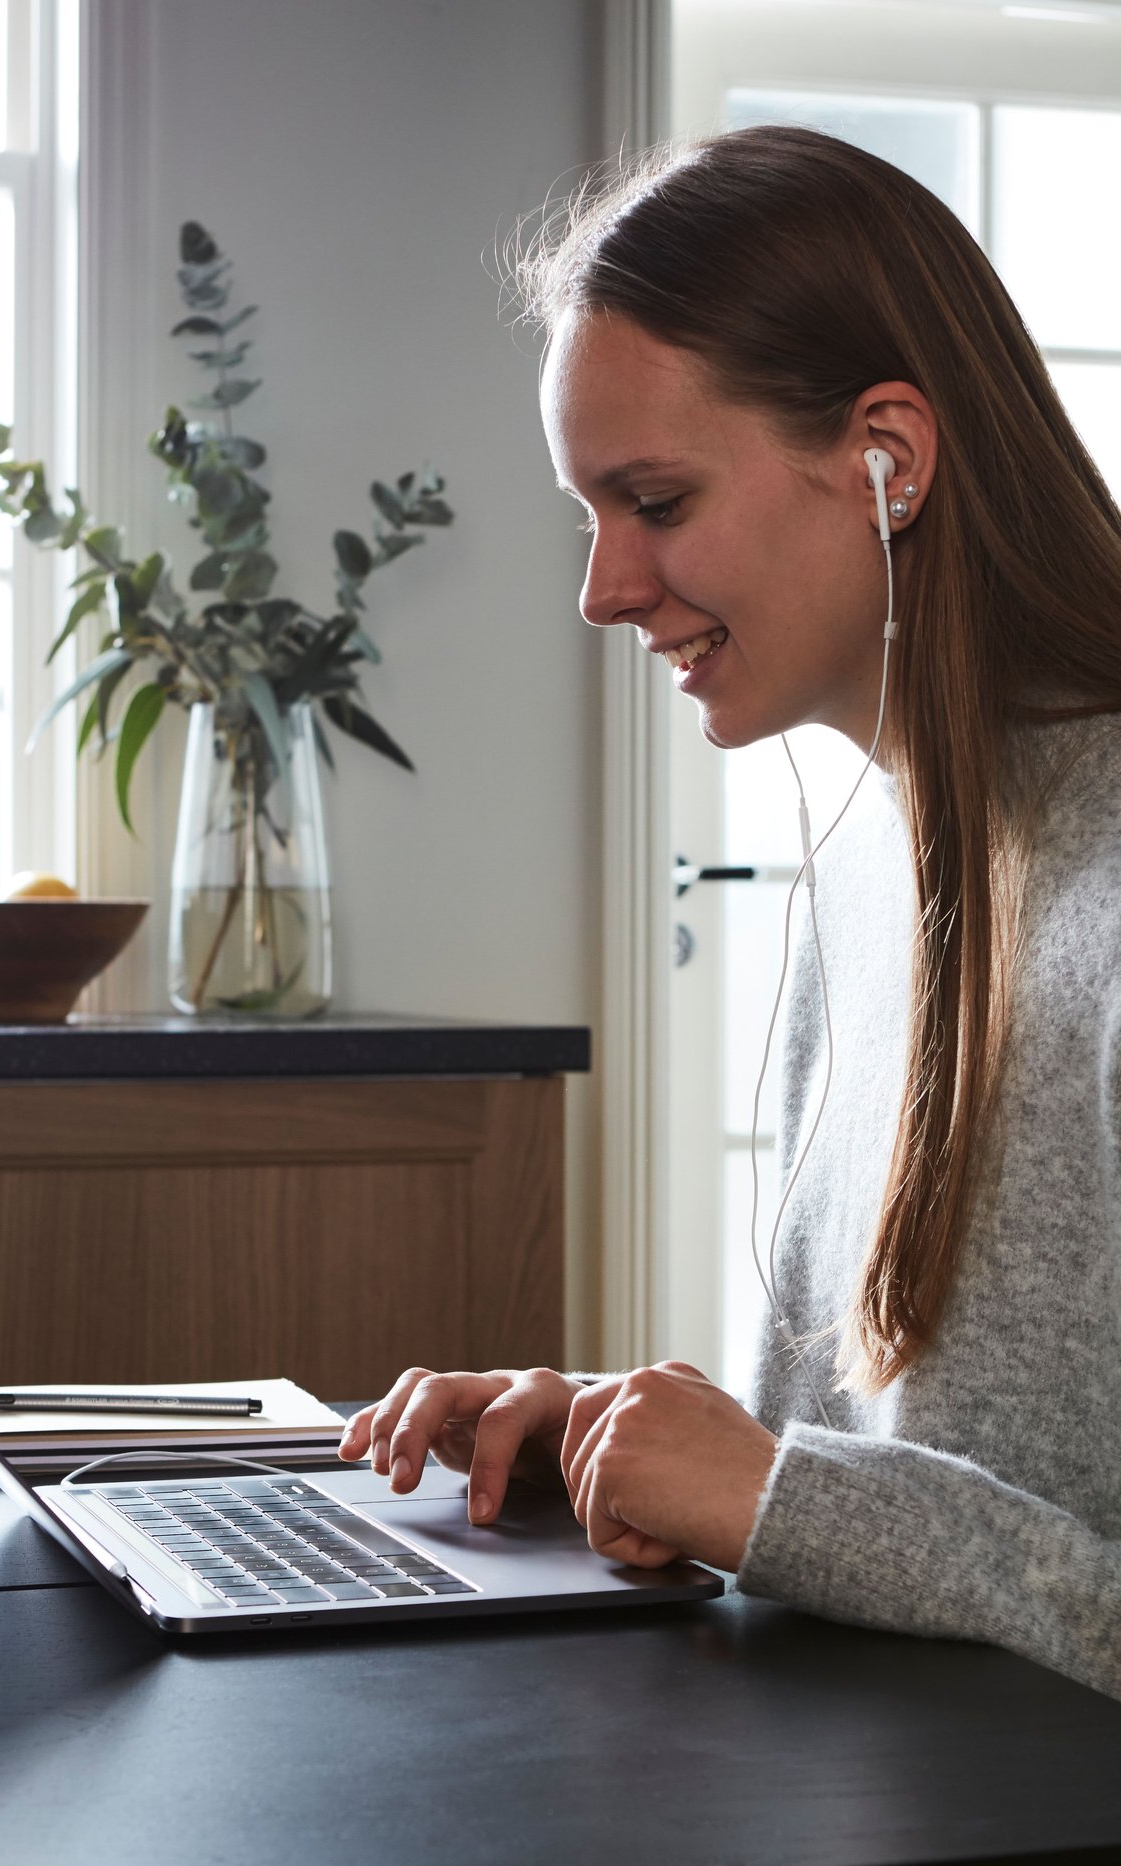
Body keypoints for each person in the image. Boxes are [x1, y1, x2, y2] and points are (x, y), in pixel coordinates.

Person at [338, 125, 1121, 1699]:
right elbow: (853, 1498)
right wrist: (621, 1450)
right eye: (589, 513)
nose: (603, 589)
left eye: (656, 498)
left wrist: (773, 1495)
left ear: (889, 456)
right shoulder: (857, 876)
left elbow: (853, 1514)